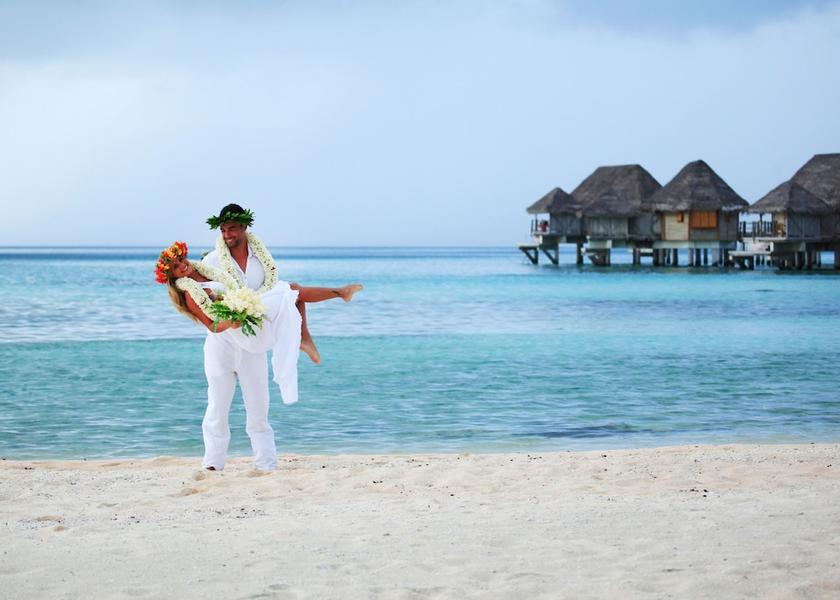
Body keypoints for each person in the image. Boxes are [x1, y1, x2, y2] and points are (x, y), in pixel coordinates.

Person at [156, 206, 361, 472]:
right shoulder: (213, 262)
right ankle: (213, 463)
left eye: (233, 228)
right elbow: (206, 311)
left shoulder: (261, 258)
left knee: (259, 406)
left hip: (252, 340)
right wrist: (230, 314)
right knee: (218, 404)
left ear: (244, 227)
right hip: (222, 345)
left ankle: (266, 464)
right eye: (224, 229)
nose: (228, 233)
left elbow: (271, 290)